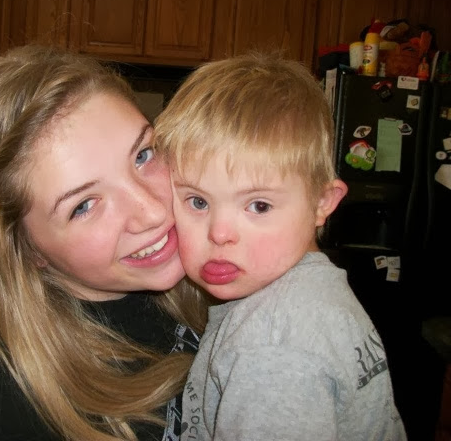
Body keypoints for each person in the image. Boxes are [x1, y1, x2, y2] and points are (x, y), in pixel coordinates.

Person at [0, 45, 208, 441]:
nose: (154, 211)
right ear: (23, 248)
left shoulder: (218, 263)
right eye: (84, 205)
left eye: (143, 155)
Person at [153, 52, 407, 440]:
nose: (219, 233)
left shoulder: (273, 346)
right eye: (198, 201)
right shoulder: (307, 294)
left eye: (259, 205)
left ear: (322, 203)